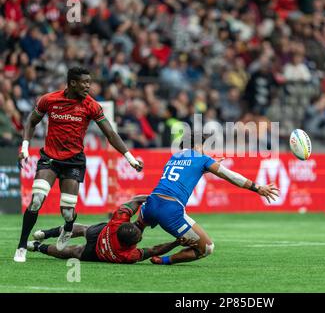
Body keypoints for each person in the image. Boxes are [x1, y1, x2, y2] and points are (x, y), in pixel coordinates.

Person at [14, 66, 144, 263]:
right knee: (37, 199)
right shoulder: (49, 100)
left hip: (73, 161)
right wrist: (24, 146)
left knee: (67, 212)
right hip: (50, 157)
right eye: (84, 83)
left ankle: (67, 228)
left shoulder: (91, 105)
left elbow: (110, 133)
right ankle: (22, 245)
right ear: (72, 83)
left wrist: (130, 158)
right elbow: (31, 121)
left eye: (89, 83)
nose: (88, 86)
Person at [136, 133, 280, 265]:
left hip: (151, 203)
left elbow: (187, 171)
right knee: (207, 248)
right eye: (203, 147)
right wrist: (257, 188)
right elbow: (231, 176)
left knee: (136, 228)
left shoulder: (174, 157)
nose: (205, 151)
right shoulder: (202, 158)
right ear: (197, 145)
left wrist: (207, 165)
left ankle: (126, 251)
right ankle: (165, 260)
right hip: (171, 210)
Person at [26, 195, 192, 263]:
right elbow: (154, 250)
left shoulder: (118, 221)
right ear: (131, 243)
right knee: (72, 252)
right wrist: (176, 242)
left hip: (100, 233)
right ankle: (37, 247)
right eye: (139, 238)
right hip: (96, 253)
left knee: (84, 228)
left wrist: (148, 198)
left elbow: (134, 201)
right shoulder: (128, 255)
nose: (141, 238)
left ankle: (46, 233)